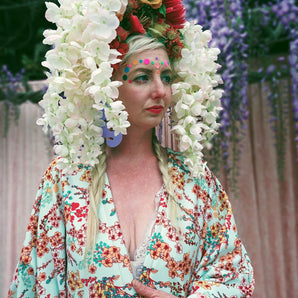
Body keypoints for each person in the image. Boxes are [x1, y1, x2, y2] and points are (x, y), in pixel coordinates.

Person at [8, 0, 254, 297]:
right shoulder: (65, 180)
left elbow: (232, 274)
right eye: (142, 77)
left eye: (166, 77)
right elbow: (35, 283)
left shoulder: (194, 180)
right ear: (108, 83)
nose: (160, 91)